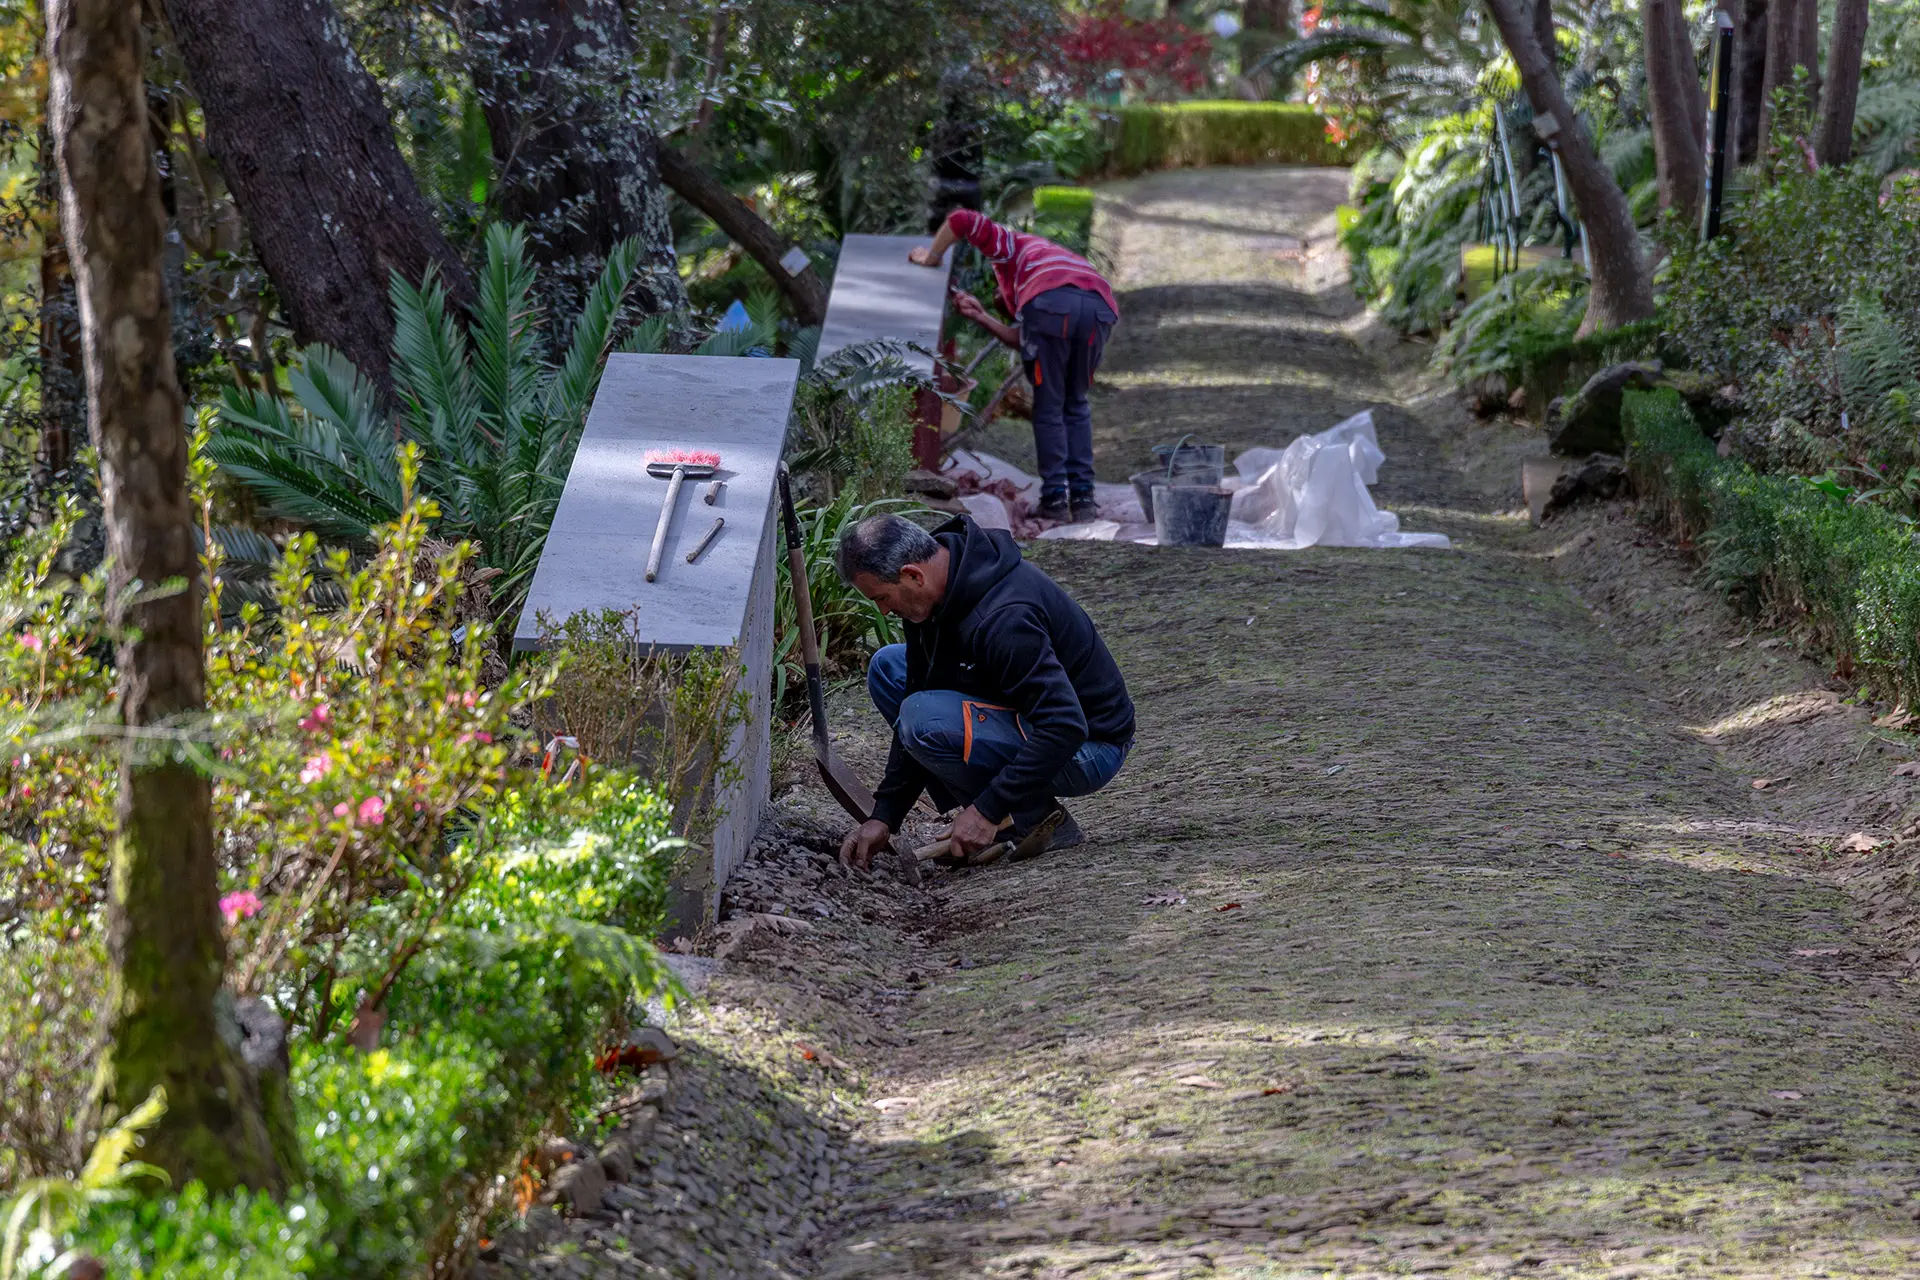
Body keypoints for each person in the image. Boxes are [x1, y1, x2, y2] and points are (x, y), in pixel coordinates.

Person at [834, 511, 1135, 869]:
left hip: (1090, 747)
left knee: (922, 718)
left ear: (913, 575)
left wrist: (986, 810)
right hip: (1028, 714)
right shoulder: (935, 592)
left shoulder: (1005, 617)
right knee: (888, 670)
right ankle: (1007, 819)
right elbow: (917, 687)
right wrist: (884, 815)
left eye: (882, 598)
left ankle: (1029, 819)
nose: (883, 612)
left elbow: (1065, 726)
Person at [909, 209, 1120, 524]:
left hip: (1051, 305)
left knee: (1048, 408)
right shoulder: (1053, 261)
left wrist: (932, 257)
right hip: (1099, 307)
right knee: (1075, 403)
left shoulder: (1011, 249)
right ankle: (1084, 501)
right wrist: (981, 316)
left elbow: (961, 220)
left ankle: (1054, 501)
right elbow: (1026, 339)